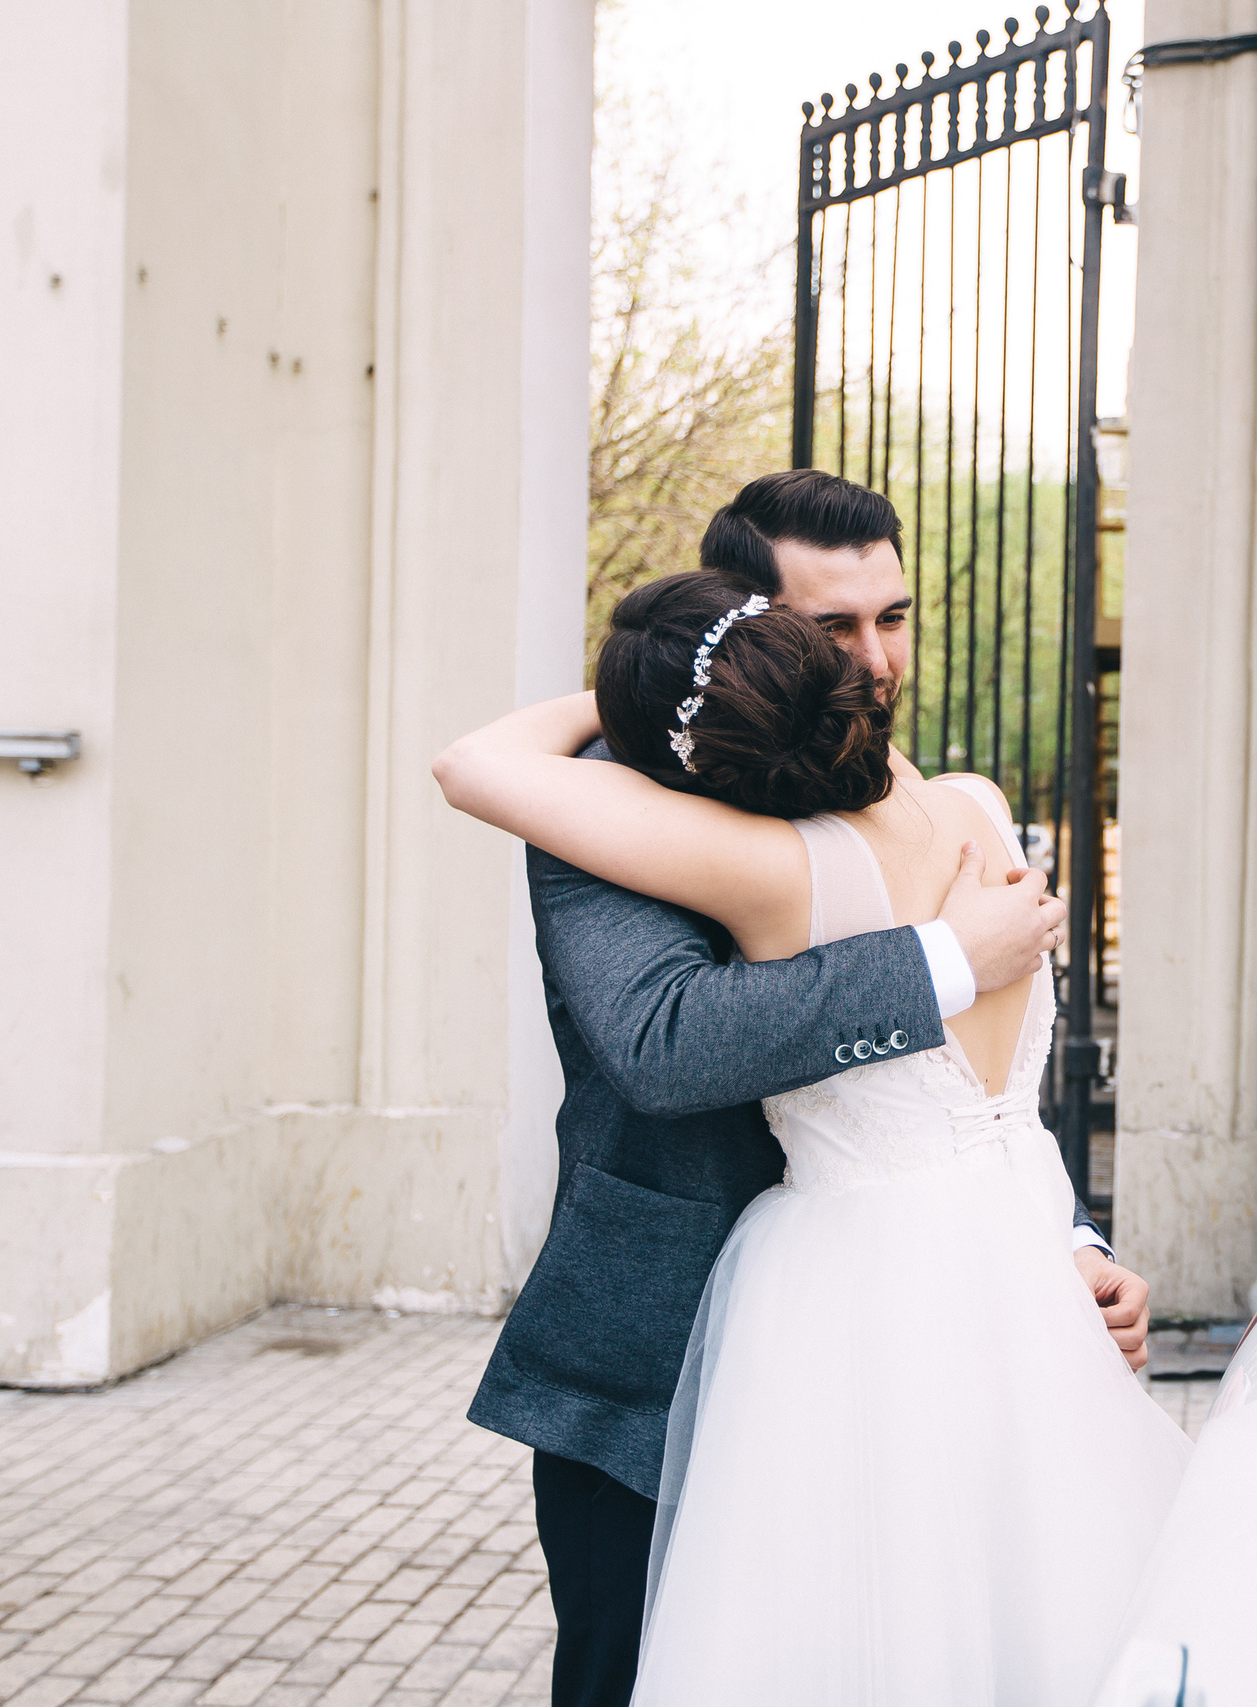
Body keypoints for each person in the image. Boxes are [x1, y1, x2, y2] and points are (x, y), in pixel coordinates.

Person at [448, 470, 1165, 1707]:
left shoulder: (923, 799)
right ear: (753, 626)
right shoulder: (612, 807)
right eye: (832, 629)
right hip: (662, 1361)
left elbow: (981, 1108)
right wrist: (945, 959)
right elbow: (665, 1044)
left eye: (893, 620)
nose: (876, 662)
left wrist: (1069, 1244)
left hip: (941, 1342)